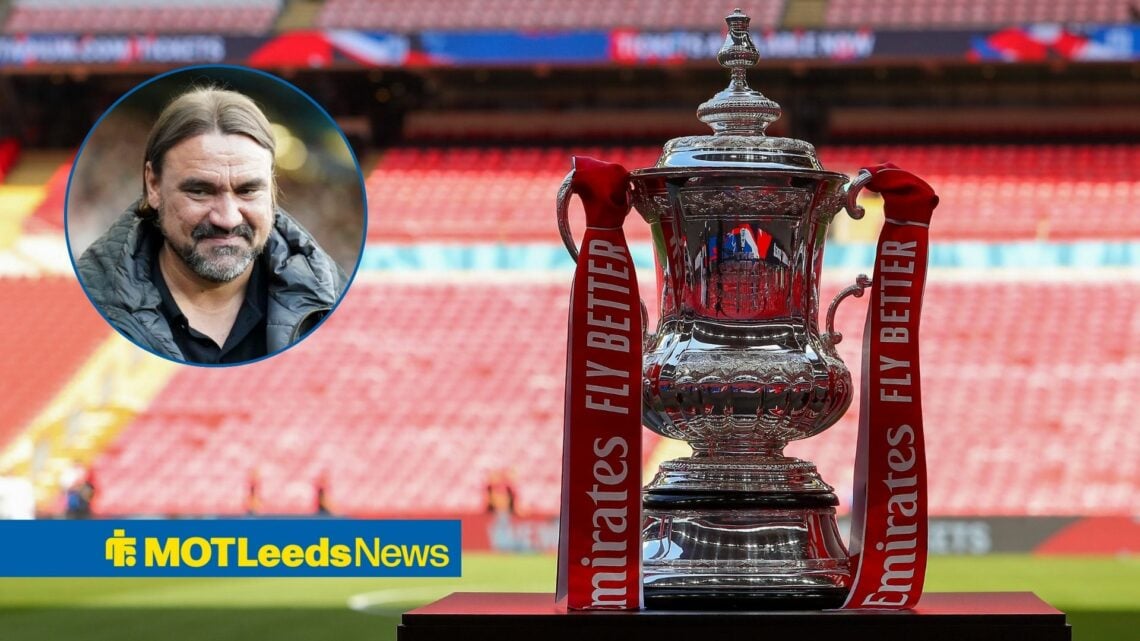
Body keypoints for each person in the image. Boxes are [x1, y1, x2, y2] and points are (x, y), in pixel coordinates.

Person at [77, 87, 347, 364]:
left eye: (247, 191)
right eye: (200, 191)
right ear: (153, 185)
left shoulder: (333, 300)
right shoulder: (85, 302)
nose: (228, 219)